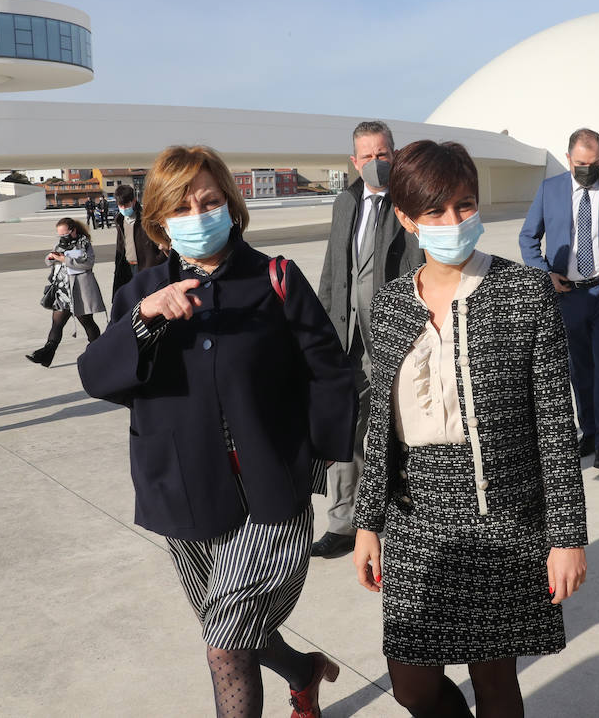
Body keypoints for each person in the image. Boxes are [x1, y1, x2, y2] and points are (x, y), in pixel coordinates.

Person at [78, 145, 356, 718]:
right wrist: (146, 317)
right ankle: (305, 672)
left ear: (231, 205)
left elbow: (330, 371)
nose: (198, 214)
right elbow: (98, 377)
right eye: (180, 207)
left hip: (270, 493)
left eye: (209, 200)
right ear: (158, 222)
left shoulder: (275, 278)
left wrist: (320, 458)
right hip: (183, 491)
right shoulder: (141, 293)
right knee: (229, 625)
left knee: (225, 644)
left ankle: (298, 676)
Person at [352, 140, 587, 717]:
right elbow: (378, 425)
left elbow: (555, 424)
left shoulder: (525, 292)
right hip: (415, 514)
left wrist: (568, 536)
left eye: (464, 205)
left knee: (495, 679)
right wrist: (368, 524)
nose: (453, 222)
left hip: (502, 513)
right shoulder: (387, 307)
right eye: (434, 211)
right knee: (412, 683)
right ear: (405, 219)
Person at [311, 121, 423, 559]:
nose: (376, 163)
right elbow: (331, 270)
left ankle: (399, 517)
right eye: (367, 156)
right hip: (347, 340)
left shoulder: (410, 201)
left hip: (395, 338)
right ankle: (343, 521)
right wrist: (319, 335)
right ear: (353, 162)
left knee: (397, 429)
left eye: (383, 154)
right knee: (346, 430)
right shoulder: (345, 202)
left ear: (395, 154)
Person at [519, 128, 599, 472]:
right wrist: (544, 273)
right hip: (568, 295)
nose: (587, 169)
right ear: (568, 159)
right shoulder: (550, 190)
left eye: (594, 163)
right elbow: (528, 236)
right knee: (580, 369)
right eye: (580, 163)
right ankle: (589, 431)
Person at [26, 218, 105, 367]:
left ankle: (100, 352)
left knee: (87, 322)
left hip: (79, 291)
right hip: (63, 291)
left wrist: (64, 259)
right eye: (59, 235)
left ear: (73, 230)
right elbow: (48, 260)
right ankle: (45, 356)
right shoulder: (60, 244)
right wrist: (51, 257)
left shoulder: (84, 243)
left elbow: (88, 263)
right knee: (57, 323)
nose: (62, 237)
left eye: (64, 233)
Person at [112, 183, 167, 296]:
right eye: (120, 205)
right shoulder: (119, 220)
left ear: (134, 201)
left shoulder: (147, 219)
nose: (123, 208)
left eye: (126, 205)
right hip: (127, 267)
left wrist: (158, 258)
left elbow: (162, 241)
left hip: (146, 266)